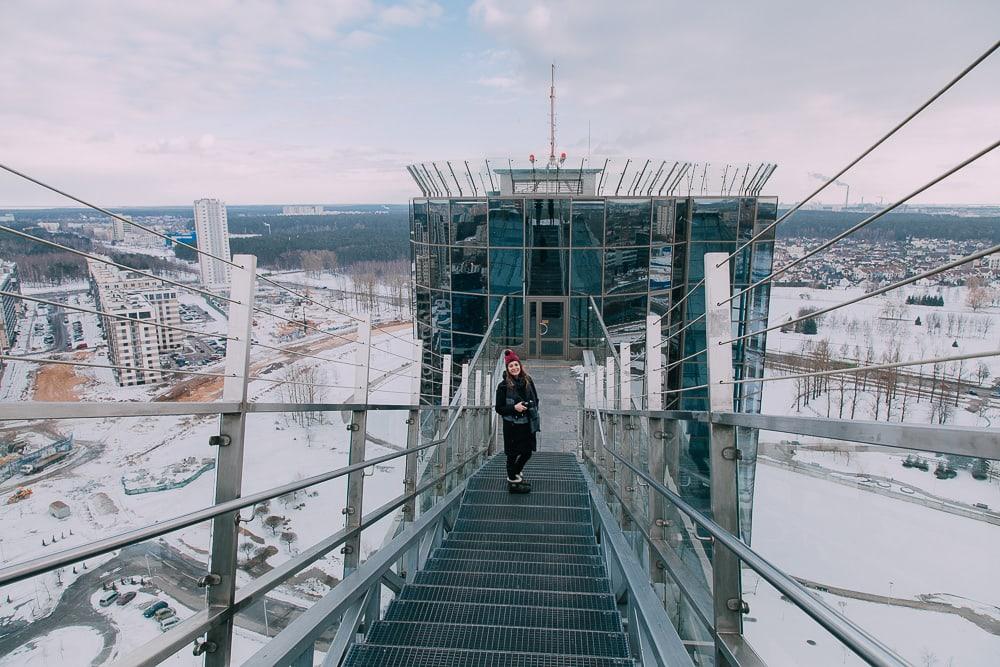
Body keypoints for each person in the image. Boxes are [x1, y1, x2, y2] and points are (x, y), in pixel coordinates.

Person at [494, 349, 540, 489]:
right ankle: (513, 480)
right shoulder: (502, 387)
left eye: (516, 365)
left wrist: (531, 407)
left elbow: (535, 398)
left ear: (520, 365)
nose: (514, 368)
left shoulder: (528, 380)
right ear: (507, 369)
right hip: (512, 426)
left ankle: (514, 473)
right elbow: (499, 408)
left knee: (527, 452)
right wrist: (515, 408)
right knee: (512, 454)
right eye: (511, 366)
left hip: (527, 423)